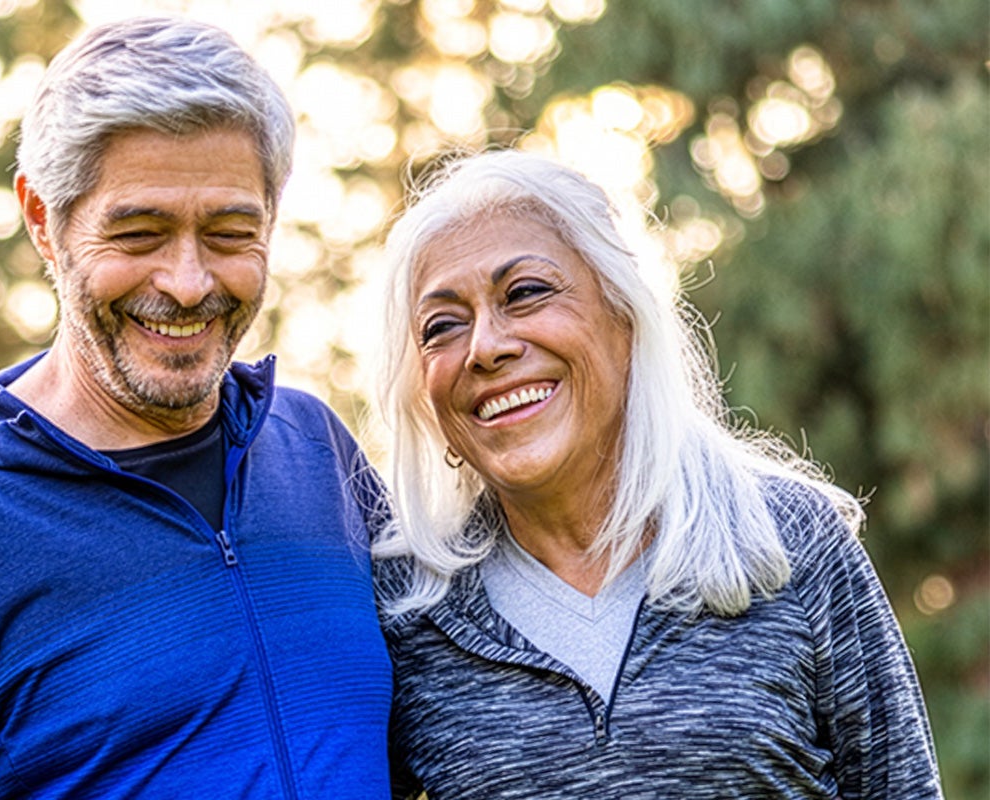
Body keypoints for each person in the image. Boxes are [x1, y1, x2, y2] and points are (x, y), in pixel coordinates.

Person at [0, 16, 392, 799]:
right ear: (44, 221)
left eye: (228, 232)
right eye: (140, 233)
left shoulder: (316, 451)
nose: (187, 282)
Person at [370, 149, 943, 799]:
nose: (485, 347)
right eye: (442, 326)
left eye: (525, 292)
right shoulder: (404, 605)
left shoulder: (787, 537)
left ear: (625, 315)